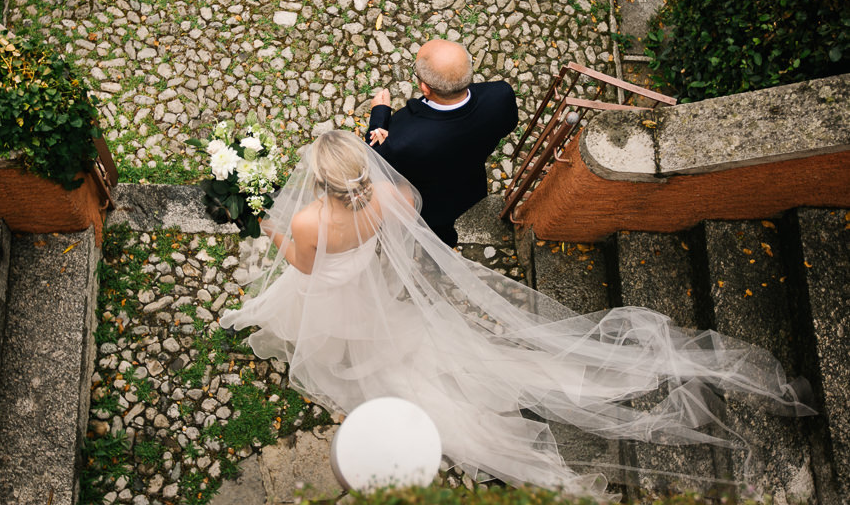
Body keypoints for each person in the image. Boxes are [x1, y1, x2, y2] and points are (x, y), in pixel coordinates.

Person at [219, 131, 814, 497]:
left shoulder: (306, 222)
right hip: (367, 276)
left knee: (337, 334)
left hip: (332, 289)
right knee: (375, 330)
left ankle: (350, 358)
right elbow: (407, 222)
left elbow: (302, 266)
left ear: (322, 183)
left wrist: (270, 232)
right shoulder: (393, 197)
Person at [365, 39, 518, 247]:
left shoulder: (405, 138)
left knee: (436, 230)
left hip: (431, 205)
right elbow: (508, 124)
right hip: (470, 187)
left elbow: (377, 161)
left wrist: (379, 114)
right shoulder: (501, 95)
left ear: (425, 88)